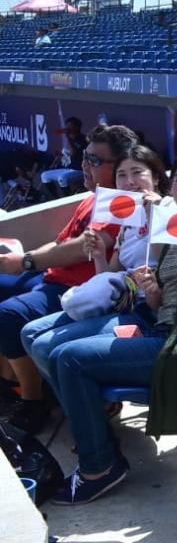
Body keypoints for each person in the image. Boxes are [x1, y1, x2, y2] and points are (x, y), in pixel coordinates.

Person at [38, 150, 177, 504]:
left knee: (70, 359)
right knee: (54, 348)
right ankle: (97, 439)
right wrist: (152, 289)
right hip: (156, 328)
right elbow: (159, 302)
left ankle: (99, 466)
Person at [0, 125, 136, 433]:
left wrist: (25, 261)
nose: (84, 164)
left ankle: (33, 401)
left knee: (8, 315)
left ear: (121, 165)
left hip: (76, 289)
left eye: (95, 160)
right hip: (49, 278)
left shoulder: (120, 204)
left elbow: (80, 251)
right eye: (86, 156)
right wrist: (24, 261)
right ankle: (11, 381)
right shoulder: (92, 197)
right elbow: (60, 242)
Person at [20, 144, 169, 398]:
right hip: (123, 303)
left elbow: (169, 263)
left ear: (155, 177)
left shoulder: (170, 211)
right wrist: (99, 254)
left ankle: (91, 410)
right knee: (30, 334)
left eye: (138, 173)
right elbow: (108, 277)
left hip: (147, 313)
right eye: (122, 175)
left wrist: (157, 214)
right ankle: (92, 405)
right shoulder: (128, 221)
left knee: (48, 347)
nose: (130, 181)